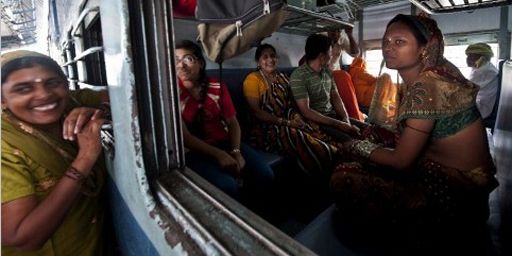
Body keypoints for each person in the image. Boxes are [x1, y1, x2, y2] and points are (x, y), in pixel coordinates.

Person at [330, 14, 498, 254]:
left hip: (457, 190)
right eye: (386, 42)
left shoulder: (425, 86)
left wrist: (356, 146)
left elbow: (401, 161)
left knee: (344, 174)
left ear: (423, 49)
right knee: (373, 133)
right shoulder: (435, 73)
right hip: (466, 182)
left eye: (399, 42)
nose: (388, 47)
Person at [1, 50, 109, 255]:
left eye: (52, 83)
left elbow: (126, 95)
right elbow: (23, 238)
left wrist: (100, 111)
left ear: (66, 85)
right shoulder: (5, 146)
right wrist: (85, 158)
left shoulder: (72, 103)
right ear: (2, 100)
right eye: (23, 89)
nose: (44, 94)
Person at [175, 40, 274, 200]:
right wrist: (219, 155)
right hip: (196, 152)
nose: (181, 65)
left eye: (187, 59)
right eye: (176, 60)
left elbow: (233, 123)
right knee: (227, 185)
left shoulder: (217, 86)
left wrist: (236, 151)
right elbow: (186, 138)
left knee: (265, 174)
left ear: (200, 63)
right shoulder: (171, 92)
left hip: (226, 142)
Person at [243, 43, 345, 174]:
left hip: (289, 119)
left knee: (311, 126)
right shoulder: (253, 79)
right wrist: (287, 123)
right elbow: (256, 112)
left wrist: (296, 117)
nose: (270, 60)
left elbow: (292, 103)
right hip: (266, 129)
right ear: (258, 61)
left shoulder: (283, 78)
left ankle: (338, 151)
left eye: (273, 56)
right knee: (297, 135)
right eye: (265, 57)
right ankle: (328, 161)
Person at [289, 34, 360, 142]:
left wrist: (345, 119)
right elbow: (306, 111)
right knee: (351, 140)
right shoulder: (299, 76)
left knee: (366, 129)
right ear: (322, 56)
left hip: (332, 117)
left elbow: (336, 97)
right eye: (330, 53)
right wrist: (339, 124)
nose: (332, 56)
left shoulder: (327, 72)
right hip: (317, 122)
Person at [465, 42, 499, 120]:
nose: (467, 59)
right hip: (479, 103)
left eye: (471, 56)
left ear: (481, 57)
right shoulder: (484, 67)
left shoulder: (485, 71)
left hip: (482, 108)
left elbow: (466, 89)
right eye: (467, 56)